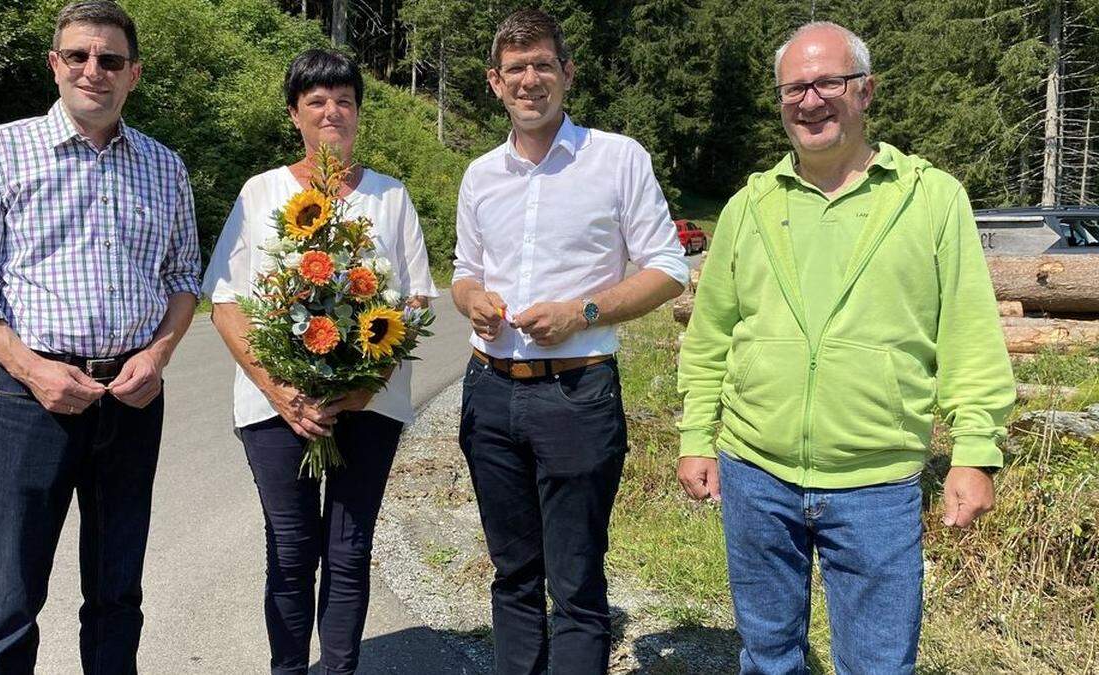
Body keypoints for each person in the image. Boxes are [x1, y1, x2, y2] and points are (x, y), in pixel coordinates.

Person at [676, 22, 1016, 673]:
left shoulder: (929, 199)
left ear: (865, 91)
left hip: (876, 481)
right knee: (768, 655)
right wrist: (697, 433)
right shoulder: (751, 204)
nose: (809, 100)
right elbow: (712, 332)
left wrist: (977, 451)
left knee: (880, 663)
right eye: (793, 88)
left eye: (827, 82)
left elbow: (970, 337)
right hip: (755, 471)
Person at [0, 1, 201, 671]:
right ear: (54, 63)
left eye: (110, 59)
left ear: (132, 74)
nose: (94, 70)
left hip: (131, 400)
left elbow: (183, 277)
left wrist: (159, 353)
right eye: (79, 55)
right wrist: (32, 369)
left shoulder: (164, 166)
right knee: (11, 599)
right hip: (28, 402)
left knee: (117, 593)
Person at [451, 10, 689, 674]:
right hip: (490, 394)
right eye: (516, 68)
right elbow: (464, 272)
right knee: (512, 574)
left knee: (577, 585)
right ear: (495, 82)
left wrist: (581, 311)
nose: (530, 80)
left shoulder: (616, 159)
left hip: (577, 394)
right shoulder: (480, 175)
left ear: (567, 73)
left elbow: (669, 269)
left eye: (543, 65)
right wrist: (473, 301)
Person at [202, 49, 437, 674]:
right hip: (276, 406)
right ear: (294, 114)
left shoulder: (391, 197)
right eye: (317, 101)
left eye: (344, 101)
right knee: (290, 547)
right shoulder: (262, 192)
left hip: (370, 402)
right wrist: (279, 388)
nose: (332, 112)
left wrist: (366, 382)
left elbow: (415, 298)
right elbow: (226, 298)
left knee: (349, 548)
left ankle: (338, 669)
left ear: (358, 113)